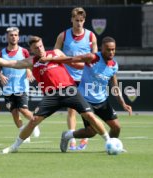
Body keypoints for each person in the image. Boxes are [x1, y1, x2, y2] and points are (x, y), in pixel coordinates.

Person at [0, 36, 110, 154]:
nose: (39, 49)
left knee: (89, 115)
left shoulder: (55, 52)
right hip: (51, 95)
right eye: (36, 48)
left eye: (40, 46)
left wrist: (90, 67)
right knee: (34, 121)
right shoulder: (31, 62)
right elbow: (8, 63)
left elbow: (73, 62)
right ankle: (14, 147)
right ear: (32, 50)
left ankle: (108, 142)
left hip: (70, 90)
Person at [39, 36, 132, 148]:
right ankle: (68, 135)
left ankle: (112, 146)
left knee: (116, 127)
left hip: (102, 101)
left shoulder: (114, 66)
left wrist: (123, 103)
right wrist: (50, 59)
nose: (111, 52)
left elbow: (115, 86)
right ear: (102, 48)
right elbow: (71, 60)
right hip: (86, 101)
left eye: (113, 49)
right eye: (108, 49)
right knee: (92, 132)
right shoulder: (92, 57)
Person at [54, 7, 98, 150]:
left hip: (86, 78)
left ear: (84, 20)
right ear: (71, 19)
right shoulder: (63, 36)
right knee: (71, 110)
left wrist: (85, 66)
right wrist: (64, 61)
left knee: (86, 110)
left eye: (81, 20)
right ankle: (72, 139)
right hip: (68, 78)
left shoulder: (91, 36)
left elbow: (95, 58)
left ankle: (85, 137)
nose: (79, 23)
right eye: (76, 20)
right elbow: (55, 53)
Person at [0, 27, 40, 142]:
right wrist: (0, 76)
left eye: (15, 35)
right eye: (11, 35)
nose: (13, 37)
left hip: (21, 86)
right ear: (7, 37)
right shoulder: (2, 53)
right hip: (8, 89)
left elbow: (29, 64)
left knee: (24, 110)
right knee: (14, 113)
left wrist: (29, 71)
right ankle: (24, 134)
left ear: (18, 37)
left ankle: (34, 124)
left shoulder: (23, 51)